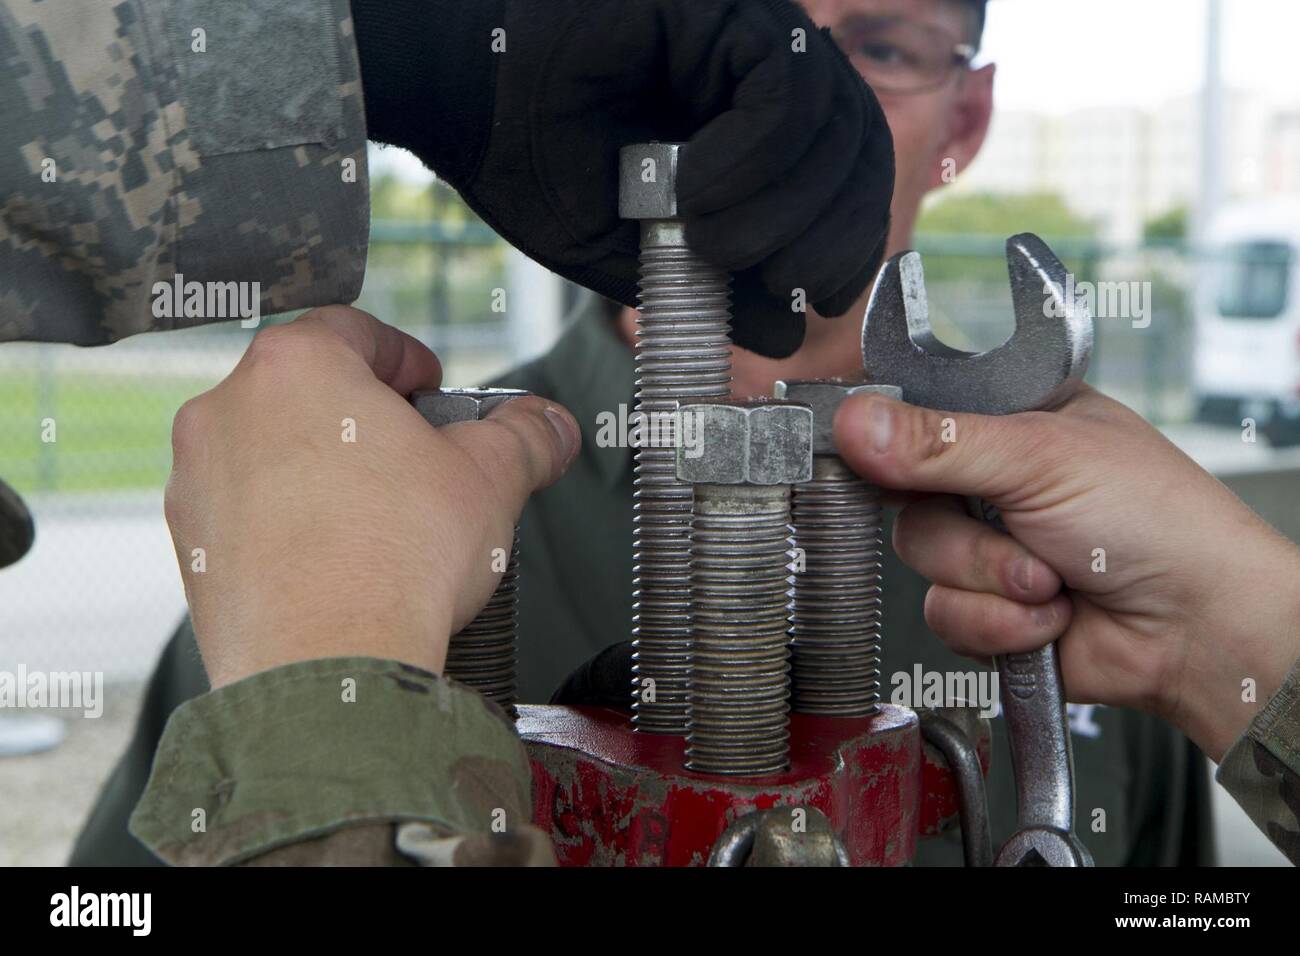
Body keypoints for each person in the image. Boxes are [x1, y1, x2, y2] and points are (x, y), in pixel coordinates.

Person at [2, 0, 1265, 865]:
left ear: (966, 123)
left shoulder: (1090, 587)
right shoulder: (342, 525)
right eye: (746, 26)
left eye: (876, 47)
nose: (787, 86)